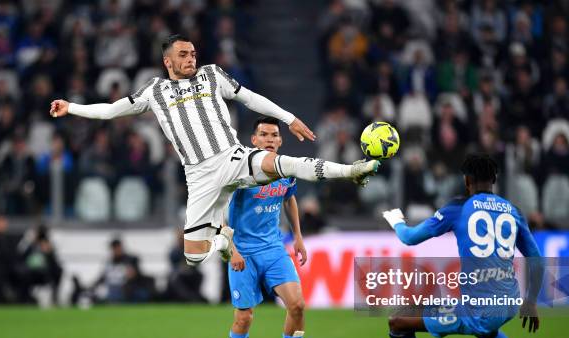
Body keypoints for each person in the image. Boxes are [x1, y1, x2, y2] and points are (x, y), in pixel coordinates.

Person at [50, 34, 379, 267]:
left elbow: (249, 98)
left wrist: (288, 117)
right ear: (168, 61)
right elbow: (110, 111)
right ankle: (223, 242)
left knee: (282, 164)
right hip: (199, 177)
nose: (191, 59)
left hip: (232, 158)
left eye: (193, 53)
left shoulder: (211, 75)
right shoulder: (155, 90)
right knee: (192, 256)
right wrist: (72, 107)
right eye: (183, 55)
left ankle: (350, 171)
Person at [375, 153, 547, 338]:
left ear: (466, 181)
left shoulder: (458, 208)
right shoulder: (513, 211)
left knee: (398, 319)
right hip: (510, 302)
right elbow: (536, 258)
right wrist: (531, 301)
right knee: (487, 332)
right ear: (495, 180)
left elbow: (410, 238)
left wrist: (398, 222)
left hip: (481, 308)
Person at [225, 117, 310, 338]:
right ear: (254, 140)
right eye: (264, 134)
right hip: (243, 253)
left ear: (281, 140)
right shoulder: (239, 171)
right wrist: (232, 249)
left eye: (274, 135)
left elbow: (289, 198)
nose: (270, 139)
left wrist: (297, 236)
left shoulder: (285, 169)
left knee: (297, 305)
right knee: (244, 317)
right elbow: (218, 211)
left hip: (273, 248)